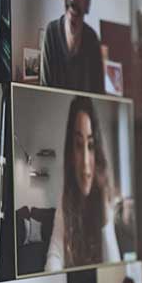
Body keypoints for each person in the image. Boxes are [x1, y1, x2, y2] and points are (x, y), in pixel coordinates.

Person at [44, 95, 121, 271]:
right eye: (79, 145)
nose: (85, 162)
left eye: (91, 146)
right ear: (71, 152)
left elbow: (116, 270)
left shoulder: (108, 201)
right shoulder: (65, 198)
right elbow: (54, 255)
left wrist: (105, 219)